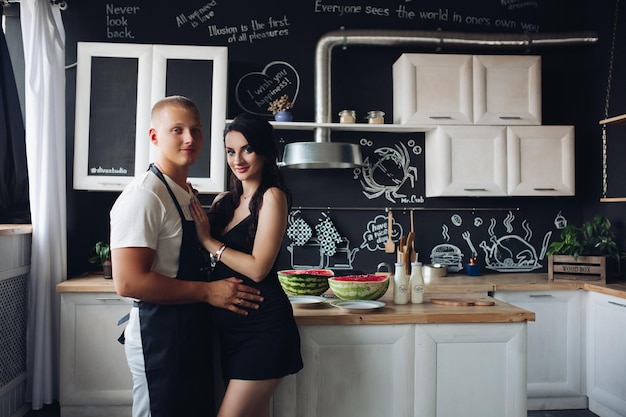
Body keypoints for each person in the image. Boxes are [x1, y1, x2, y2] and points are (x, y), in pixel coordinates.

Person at [110, 96, 264, 417]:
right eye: (177, 130)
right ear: (154, 137)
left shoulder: (184, 193)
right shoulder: (144, 195)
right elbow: (128, 282)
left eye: (195, 130)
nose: (189, 139)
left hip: (189, 332)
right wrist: (210, 292)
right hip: (160, 338)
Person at [189, 113, 303, 417]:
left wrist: (210, 242)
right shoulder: (223, 201)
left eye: (246, 149)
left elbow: (258, 268)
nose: (237, 159)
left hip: (264, 331)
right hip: (231, 335)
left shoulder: (272, 198)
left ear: (265, 152)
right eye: (230, 151)